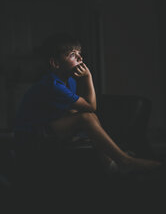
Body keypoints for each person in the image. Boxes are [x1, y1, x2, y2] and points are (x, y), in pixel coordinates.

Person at [14, 32, 161, 176]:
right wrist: (88, 78)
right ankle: (125, 160)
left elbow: (71, 111)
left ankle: (110, 162)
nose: (80, 57)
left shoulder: (69, 81)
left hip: (47, 128)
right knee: (87, 117)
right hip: (31, 138)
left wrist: (86, 131)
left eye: (79, 53)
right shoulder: (52, 85)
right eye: (72, 54)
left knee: (87, 117)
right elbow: (91, 106)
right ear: (55, 63)